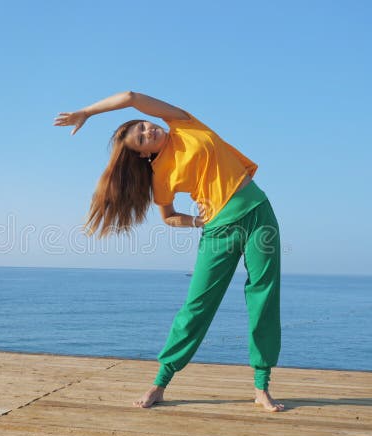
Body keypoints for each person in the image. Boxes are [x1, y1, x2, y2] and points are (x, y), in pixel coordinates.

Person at [54, 91, 284, 412]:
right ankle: (160, 383)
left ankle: (262, 386)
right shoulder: (160, 176)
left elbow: (132, 97)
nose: (149, 131)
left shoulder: (184, 124)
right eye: (142, 138)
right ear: (143, 154)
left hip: (259, 213)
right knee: (197, 306)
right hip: (219, 230)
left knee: (263, 296)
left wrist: (87, 112)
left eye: (144, 126)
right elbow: (169, 218)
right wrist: (195, 220)